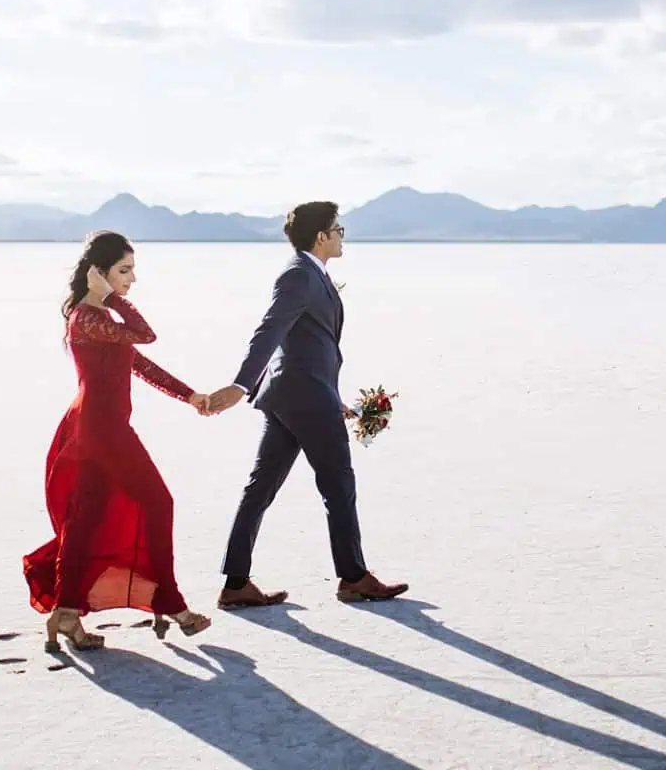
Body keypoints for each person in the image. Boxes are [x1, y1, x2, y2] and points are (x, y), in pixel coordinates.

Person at [206, 201, 408, 608]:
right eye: (338, 229)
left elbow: (310, 345)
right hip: (304, 400)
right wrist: (240, 384)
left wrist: (334, 398)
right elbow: (270, 330)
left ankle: (236, 583)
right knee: (338, 486)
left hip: (297, 396)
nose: (342, 235)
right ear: (321, 236)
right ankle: (353, 577)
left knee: (261, 487)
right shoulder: (299, 275)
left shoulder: (313, 275)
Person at [23, 231, 213, 652]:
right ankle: (171, 603)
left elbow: (138, 361)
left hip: (96, 426)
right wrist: (110, 298)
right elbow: (145, 334)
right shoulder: (89, 316)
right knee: (159, 503)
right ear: (99, 275)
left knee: (86, 522)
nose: (132, 279)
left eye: (132, 271)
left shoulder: (99, 320)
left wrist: (189, 396)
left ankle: (66, 613)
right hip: (103, 429)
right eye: (124, 271)